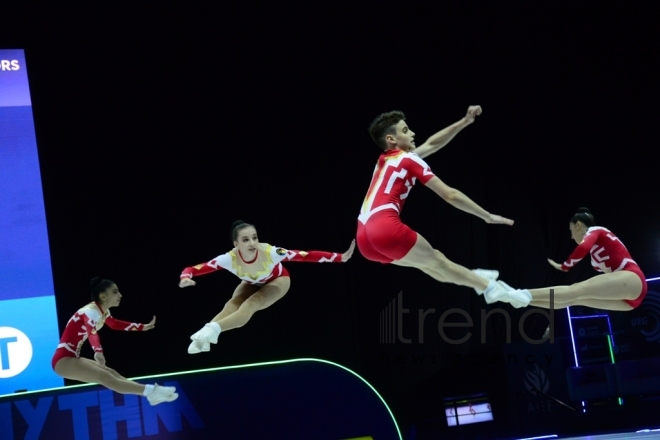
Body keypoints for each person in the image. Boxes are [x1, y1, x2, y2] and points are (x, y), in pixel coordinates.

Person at [356, 106, 517, 303]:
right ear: (391, 139)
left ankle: (477, 280)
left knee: (432, 264)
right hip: (384, 228)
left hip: (364, 238)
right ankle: (490, 288)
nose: (413, 133)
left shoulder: (383, 160)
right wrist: (487, 216)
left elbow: (432, 144)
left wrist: (464, 121)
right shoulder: (408, 159)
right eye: (406, 130)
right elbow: (450, 195)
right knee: (438, 262)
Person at [179, 220, 355, 353]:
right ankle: (204, 338)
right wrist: (185, 277)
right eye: (246, 240)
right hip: (252, 282)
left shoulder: (271, 252)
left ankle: (213, 329)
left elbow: (304, 255)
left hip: (278, 280)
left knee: (251, 304)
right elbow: (193, 269)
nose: (252, 243)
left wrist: (339, 257)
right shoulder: (228, 259)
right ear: (236, 244)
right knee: (232, 303)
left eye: (254, 238)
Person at [52, 277, 178, 405]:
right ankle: (152, 391)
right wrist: (98, 351)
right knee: (107, 378)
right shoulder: (90, 312)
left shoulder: (103, 311)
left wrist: (142, 327)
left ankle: (150, 394)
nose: (120, 295)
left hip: (71, 357)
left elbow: (114, 324)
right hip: (63, 361)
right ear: (103, 296)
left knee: (111, 373)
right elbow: (92, 332)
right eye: (115, 292)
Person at [498, 207, 648, 311]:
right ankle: (523, 300)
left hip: (633, 278)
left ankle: (517, 293)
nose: (571, 236)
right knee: (574, 299)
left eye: (571, 231)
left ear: (578, 225)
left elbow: (583, 248)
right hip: (629, 302)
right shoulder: (594, 261)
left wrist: (565, 266)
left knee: (574, 290)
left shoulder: (596, 230)